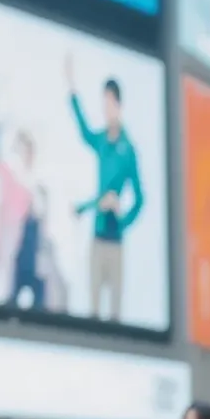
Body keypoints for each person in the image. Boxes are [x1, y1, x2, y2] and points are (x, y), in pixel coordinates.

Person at [66, 58, 144, 322]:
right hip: (97, 237)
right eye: (103, 103)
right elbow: (84, 130)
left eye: (110, 103)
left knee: (115, 313)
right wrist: (72, 89)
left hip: (116, 241)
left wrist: (121, 216)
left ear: (118, 105)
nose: (106, 109)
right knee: (94, 309)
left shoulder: (128, 150)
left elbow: (140, 199)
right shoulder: (101, 142)